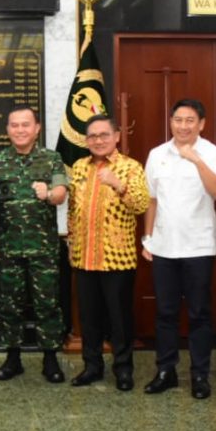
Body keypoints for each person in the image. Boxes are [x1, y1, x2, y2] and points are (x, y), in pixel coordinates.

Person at [141, 98, 216, 399]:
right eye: (178, 119)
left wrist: (195, 159)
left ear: (201, 124)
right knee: (165, 312)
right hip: (164, 246)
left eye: (190, 120)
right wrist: (147, 238)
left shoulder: (213, 153)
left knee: (199, 313)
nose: (183, 126)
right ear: (171, 122)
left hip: (198, 246)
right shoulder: (156, 154)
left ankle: (200, 375)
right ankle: (166, 370)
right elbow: (152, 200)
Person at [0, 106, 69, 384]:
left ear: (37, 128)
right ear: (7, 129)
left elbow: (60, 193)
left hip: (43, 249)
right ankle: (13, 357)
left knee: (48, 304)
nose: (20, 130)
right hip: (7, 247)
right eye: (14, 125)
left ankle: (50, 358)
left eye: (25, 125)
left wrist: (48, 193)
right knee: (9, 304)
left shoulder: (51, 159)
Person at [66, 115, 150, 390]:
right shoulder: (79, 167)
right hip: (84, 256)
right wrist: (71, 243)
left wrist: (118, 183)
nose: (98, 140)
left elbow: (140, 205)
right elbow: (72, 210)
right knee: (89, 318)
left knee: (119, 318)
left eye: (104, 135)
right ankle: (92, 366)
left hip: (118, 258)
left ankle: (123, 369)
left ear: (116, 136)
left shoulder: (130, 167)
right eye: (92, 136)